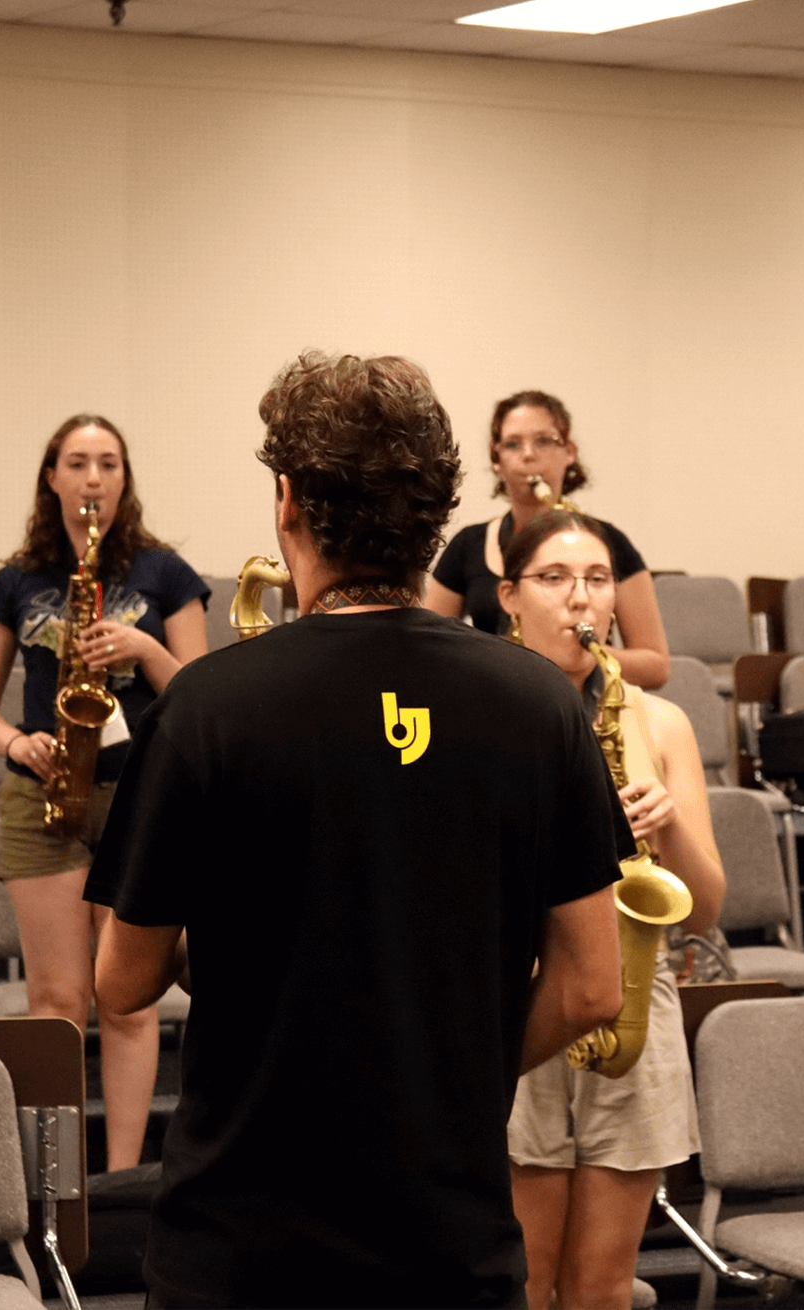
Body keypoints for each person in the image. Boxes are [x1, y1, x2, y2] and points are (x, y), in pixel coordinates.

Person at [85, 351, 629, 1309]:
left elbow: (123, 979)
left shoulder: (206, 706)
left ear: (288, 502)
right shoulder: (542, 705)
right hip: (446, 1248)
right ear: (436, 511)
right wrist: (449, 1065)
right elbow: (592, 991)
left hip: (240, 1250)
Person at [0, 411, 209, 1172]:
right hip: (45, 795)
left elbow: (200, 696)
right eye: (77, 463)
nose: (93, 478)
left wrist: (144, 647)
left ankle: (125, 1182)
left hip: (144, 792)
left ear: (124, 478)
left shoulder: (163, 575)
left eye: (108, 463)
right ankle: (59, 1181)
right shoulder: (17, 582)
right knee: (58, 1002)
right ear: (52, 477)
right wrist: (16, 741)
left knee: (127, 999)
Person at [497, 509, 725, 1310]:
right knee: (526, 1284)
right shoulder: (482, 718)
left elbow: (703, 907)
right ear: (509, 599)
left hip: (637, 1003)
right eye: (554, 580)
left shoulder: (660, 721)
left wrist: (665, 826)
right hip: (519, 994)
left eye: (596, 581)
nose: (580, 601)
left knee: (601, 1289)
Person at [425, 390, 671, 686]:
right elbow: (428, 646)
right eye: (513, 444)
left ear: (570, 452)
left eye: (544, 441)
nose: (528, 454)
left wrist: (579, 653)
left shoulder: (611, 542)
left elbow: (656, 667)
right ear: (496, 459)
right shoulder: (469, 544)